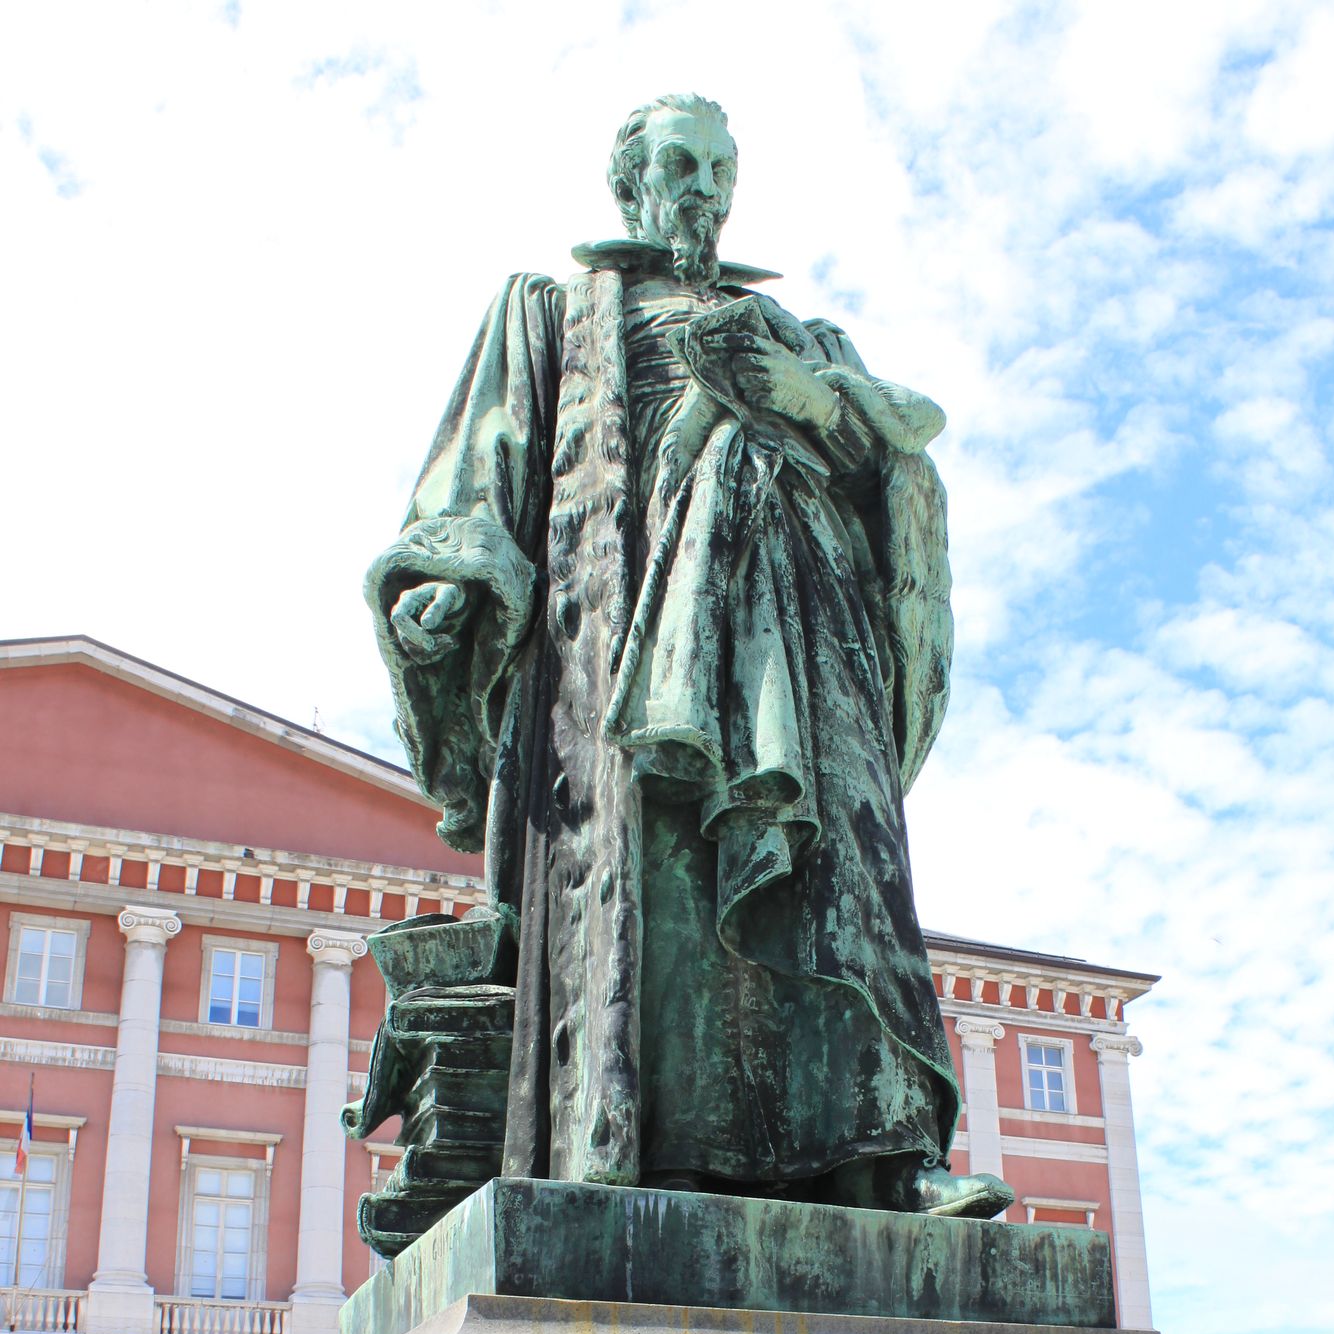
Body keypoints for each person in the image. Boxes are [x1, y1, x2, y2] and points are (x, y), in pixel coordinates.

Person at [365, 93, 1011, 1220]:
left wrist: (820, 415)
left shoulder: (801, 335)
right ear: (631, 181)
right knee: (650, 899)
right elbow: (481, 472)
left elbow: (894, 465)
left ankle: (885, 1158)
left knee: (844, 873)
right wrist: (444, 581)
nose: (704, 186)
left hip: (809, 646)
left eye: (722, 166)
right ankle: (631, 1155)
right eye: (681, 162)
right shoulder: (555, 312)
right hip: (619, 654)